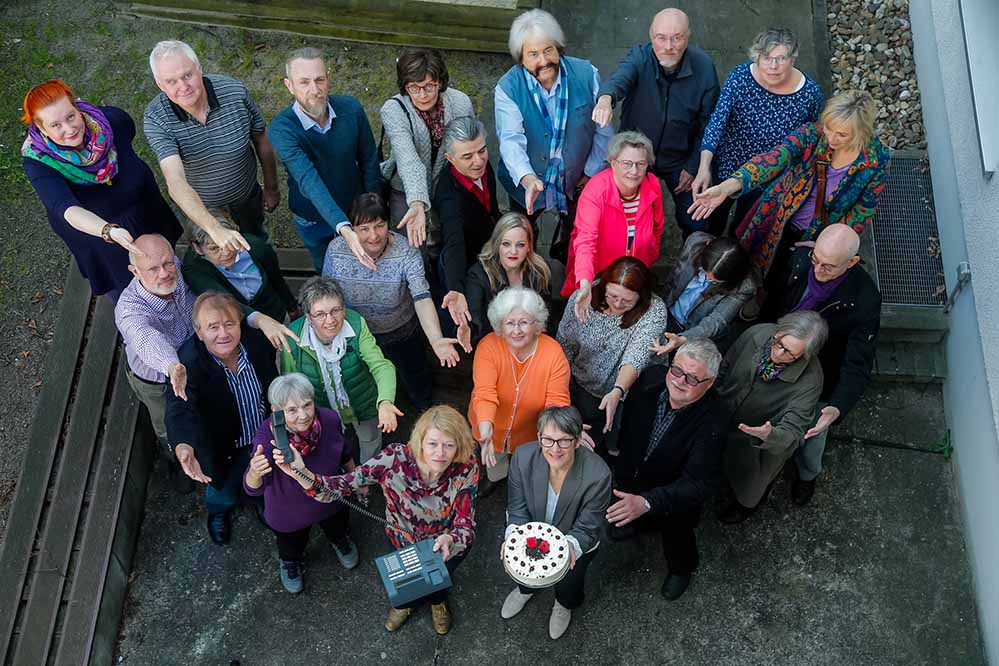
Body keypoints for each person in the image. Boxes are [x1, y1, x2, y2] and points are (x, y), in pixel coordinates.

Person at [271, 404, 478, 635]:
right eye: (433, 443)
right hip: (402, 539)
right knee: (406, 583)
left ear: (458, 445)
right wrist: (303, 473)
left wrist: (451, 538)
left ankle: (437, 603)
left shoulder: (466, 467)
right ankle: (405, 605)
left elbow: (465, 523)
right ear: (420, 440)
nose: (440, 453)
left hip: (445, 545)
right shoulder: (393, 459)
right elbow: (341, 486)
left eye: (449, 445)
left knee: (440, 579)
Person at [115, 235, 296, 492]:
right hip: (157, 376)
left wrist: (259, 320)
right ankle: (179, 461)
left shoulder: (183, 273)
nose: (165, 273)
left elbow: (222, 302)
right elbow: (145, 339)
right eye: (153, 269)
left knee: (216, 409)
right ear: (135, 271)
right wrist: (171, 365)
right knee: (169, 422)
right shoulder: (129, 309)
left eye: (168, 263)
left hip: (203, 354)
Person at [689, 91, 891, 304]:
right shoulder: (812, 134)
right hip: (776, 217)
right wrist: (728, 187)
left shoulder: (876, 162)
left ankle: (765, 303)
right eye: (829, 128)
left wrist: (827, 244)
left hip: (817, 234)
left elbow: (863, 210)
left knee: (788, 275)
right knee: (751, 257)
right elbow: (772, 160)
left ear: (861, 133)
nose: (831, 138)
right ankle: (741, 293)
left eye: (842, 135)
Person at [21, 79, 181, 301]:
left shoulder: (110, 121)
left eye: (70, 116)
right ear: (41, 128)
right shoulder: (38, 162)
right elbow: (65, 208)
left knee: (166, 262)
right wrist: (108, 231)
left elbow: (129, 130)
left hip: (145, 210)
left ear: (77, 107)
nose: (69, 129)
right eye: (55, 125)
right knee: (129, 290)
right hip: (102, 237)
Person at [762, 225, 881, 505]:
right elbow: (774, 299)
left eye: (828, 267)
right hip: (778, 348)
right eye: (816, 260)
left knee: (812, 434)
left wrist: (836, 405)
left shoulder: (864, 300)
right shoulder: (800, 259)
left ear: (852, 262)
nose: (817, 272)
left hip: (819, 371)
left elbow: (858, 361)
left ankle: (807, 475)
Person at [608, 338, 728, 600]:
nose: (679, 381)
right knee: (627, 508)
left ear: (710, 384)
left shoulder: (716, 420)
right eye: (677, 370)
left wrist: (648, 502)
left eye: (693, 379)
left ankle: (682, 568)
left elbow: (697, 484)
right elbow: (628, 424)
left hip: (674, 495)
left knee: (678, 535)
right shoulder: (651, 378)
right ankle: (636, 523)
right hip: (633, 475)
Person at [322, 193, 463, 411]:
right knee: (365, 381)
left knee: (415, 374)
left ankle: (423, 410)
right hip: (356, 336)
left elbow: (421, 296)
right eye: (364, 229)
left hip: (400, 331)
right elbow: (327, 295)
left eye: (379, 226)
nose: (373, 236)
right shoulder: (336, 251)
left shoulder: (406, 251)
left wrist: (435, 339)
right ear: (351, 230)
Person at [495, 8, 612, 259]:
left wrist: (590, 173)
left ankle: (570, 277)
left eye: (548, 50)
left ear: (559, 48)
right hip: (529, 182)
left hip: (576, 177)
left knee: (578, 235)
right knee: (524, 236)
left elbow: (603, 131)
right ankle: (531, 278)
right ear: (521, 58)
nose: (543, 60)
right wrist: (527, 180)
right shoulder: (507, 88)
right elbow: (510, 141)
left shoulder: (586, 74)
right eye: (533, 54)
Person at [592, 8, 720, 236]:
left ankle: (692, 265)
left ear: (688, 37)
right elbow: (619, 79)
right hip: (636, 155)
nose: (668, 46)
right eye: (661, 38)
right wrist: (605, 99)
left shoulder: (704, 68)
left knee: (697, 221)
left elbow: (709, 122)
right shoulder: (640, 57)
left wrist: (693, 165)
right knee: (617, 216)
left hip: (679, 157)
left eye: (676, 38)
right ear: (651, 37)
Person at [144, 40, 280, 254]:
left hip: (246, 196)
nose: (183, 87)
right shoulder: (157, 118)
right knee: (217, 257)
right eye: (171, 81)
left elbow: (261, 138)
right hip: (203, 208)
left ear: (199, 69)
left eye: (187, 75)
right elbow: (175, 181)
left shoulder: (235, 93)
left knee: (256, 242)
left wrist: (271, 188)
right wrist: (213, 227)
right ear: (160, 84)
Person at [165, 292, 279, 544]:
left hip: (260, 434)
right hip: (220, 446)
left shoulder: (258, 343)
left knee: (263, 476)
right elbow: (177, 408)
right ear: (199, 331)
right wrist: (183, 445)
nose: (223, 334)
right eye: (213, 327)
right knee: (222, 491)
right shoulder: (188, 362)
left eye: (229, 324)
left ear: (240, 323)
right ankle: (218, 513)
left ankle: (258, 500)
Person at [693, 27, 823, 233]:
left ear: (793, 59)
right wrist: (703, 167)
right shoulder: (740, 77)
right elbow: (717, 121)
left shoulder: (809, 94)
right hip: (727, 166)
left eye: (781, 58)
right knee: (711, 221)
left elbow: (806, 138)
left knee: (745, 229)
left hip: (766, 178)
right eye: (766, 58)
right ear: (757, 58)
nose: (773, 66)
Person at [499, 406, 611, 639]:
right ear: (539, 437)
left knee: (569, 581)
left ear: (578, 440)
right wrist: (514, 537)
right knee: (527, 569)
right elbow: (517, 508)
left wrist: (567, 549)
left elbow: (588, 525)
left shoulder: (599, 474)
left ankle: (563, 604)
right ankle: (525, 589)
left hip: (575, 541)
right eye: (548, 440)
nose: (554, 449)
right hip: (532, 535)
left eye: (564, 441)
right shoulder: (522, 457)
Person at [244, 373, 362, 593]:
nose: (303, 416)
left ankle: (340, 540)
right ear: (276, 410)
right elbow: (252, 489)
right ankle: (290, 563)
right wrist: (254, 471)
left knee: (338, 527)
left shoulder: (329, 419)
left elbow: (344, 452)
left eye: (307, 405)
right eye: (291, 410)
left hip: (330, 497)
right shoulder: (266, 441)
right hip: (289, 514)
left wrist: (355, 477)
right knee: (291, 546)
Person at [268, 47, 382, 271]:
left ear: (328, 78)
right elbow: (308, 179)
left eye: (320, 80)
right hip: (312, 216)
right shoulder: (282, 129)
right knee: (326, 266)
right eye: (304, 82)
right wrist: (343, 227)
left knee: (366, 263)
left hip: (355, 207)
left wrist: (372, 205)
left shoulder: (351, 109)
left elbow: (369, 159)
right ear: (289, 85)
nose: (315, 89)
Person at [716, 312, 827, 524]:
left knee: (752, 481)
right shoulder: (758, 333)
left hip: (759, 439)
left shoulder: (810, 381)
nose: (777, 353)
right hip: (724, 411)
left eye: (788, 353)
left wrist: (770, 435)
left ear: (806, 355)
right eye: (778, 342)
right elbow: (727, 363)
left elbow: (794, 432)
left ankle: (746, 506)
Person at [280, 276, 401, 463]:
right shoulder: (292, 337)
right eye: (320, 314)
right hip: (321, 407)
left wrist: (385, 402)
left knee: (370, 439)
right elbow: (290, 381)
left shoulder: (356, 323)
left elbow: (381, 365)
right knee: (331, 443)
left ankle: (367, 476)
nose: (330, 320)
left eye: (336, 310)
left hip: (363, 400)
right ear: (308, 317)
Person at [557, 257, 667, 454]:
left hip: (629, 386)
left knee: (620, 431)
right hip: (585, 379)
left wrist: (618, 389)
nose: (617, 304)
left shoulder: (654, 311)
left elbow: (637, 354)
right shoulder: (583, 298)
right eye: (612, 296)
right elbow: (565, 342)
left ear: (640, 297)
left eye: (626, 300)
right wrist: (560, 387)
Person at [469, 287, 570, 484]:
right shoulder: (488, 347)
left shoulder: (553, 353)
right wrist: (486, 432)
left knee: (525, 465)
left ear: (537, 324)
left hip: (530, 430)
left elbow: (556, 402)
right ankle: (496, 480)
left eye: (524, 322)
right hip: (490, 427)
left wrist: (560, 428)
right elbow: (484, 393)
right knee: (494, 462)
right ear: (500, 324)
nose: (516, 330)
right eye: (510, 323)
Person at [561, 131, 665, 321]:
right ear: (612, 161)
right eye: (627, 163)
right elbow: (585, 240)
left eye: (641, 164)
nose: (634, 171)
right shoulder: (596, 191)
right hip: (600, 273)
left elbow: (658, 227)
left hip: (634, 272)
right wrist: (585, 282)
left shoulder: (653, 185)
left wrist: (649, 257)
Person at [380, 47, 474, 249]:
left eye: (429, 86)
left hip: (447, 186)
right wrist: (417, 203)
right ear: (405, 87)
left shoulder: (460, 103)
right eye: (414, 87)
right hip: (405, 191)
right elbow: (408, 159)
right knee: (410, 246)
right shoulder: (393, 110)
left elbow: (468, 148)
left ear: (440, 82)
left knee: (449, 243)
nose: (422, 95)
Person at [434, 116, 501, 328]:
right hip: (468, 260)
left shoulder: (482, 166)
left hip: (490, 243)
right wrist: (455, 287)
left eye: (482, 150)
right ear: (450, 159)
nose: (478, 161)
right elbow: (454, 242)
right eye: (468, 156)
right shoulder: (448, 197)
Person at [181, 212, 298, 323]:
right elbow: (224, 300)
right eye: (214, 248)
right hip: (240, 330)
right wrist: (260, 321)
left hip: (277, 313)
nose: (226, 252)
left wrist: (291, 307)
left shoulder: (256, 247)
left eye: (228, 242)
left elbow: (276, 278)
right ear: (197, 248)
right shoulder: (194, 269)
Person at [651, 232, 755, 356]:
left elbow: (716, 321)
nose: (706, 279)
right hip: (668, 310)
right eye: (703, 271)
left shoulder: (744, 287)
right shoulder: (695, 242)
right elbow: (674, 276)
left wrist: (682, 339)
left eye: (714, 281)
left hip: (694, 332)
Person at [465, 212, 551, 346]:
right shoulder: (479, 275)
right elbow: (475, 322)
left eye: (520, 245)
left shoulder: (539, 273)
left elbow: (545, 321)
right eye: (506, 244)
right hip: (494, 347)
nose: (513, 251)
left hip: (530, 346)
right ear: (497, 244)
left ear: (529, 246)